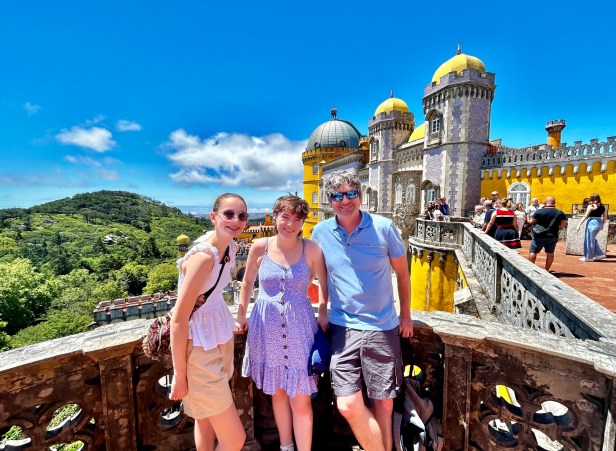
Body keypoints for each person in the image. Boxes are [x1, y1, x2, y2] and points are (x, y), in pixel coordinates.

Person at [311, 171, 413, 451]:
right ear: (330, 201)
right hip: (342, 327)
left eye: (351, 193)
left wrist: (406, 314)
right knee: (346, 403)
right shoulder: (320, 232)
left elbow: (403, 274)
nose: (345, 201)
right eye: (338, 195)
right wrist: (322, 308)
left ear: (360, 195)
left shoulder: (384, 227)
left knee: (384, 403)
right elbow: (321, 275)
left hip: (382, 326)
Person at [237, 195, 328, 451]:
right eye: (285, 217)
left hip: (300, 327)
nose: (290, 224)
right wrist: (241, 315)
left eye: (297, 219)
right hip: (266, 327)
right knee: (277, 393)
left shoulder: (311, 248)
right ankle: (286, 447)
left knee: (301, 399)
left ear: (303, 223)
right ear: (275, 217)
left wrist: (322, 312)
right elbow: (247, 283)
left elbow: (324, 283)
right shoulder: (260, 247)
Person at [169, 193, 248, 451]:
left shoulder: (230, 247)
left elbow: (212, 297)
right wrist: (179, 375)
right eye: (228, 214)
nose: (235, 220)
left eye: (241, 215)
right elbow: (178, 320)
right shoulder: (203, 257)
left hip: (218, 340)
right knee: (235, 439)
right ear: (214, 217)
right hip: (200, 351)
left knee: (205, 420)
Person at [528, 196, 567, 272]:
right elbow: (563, 225)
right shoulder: (560, 212)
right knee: (550, 253)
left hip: (539, 235)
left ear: (545, 203)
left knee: (533, 251)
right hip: (553, 235)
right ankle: (546, 270)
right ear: (554, 203)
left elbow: (531, 222)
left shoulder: (539, 211)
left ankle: (531, 269)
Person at [576, 193, 608, 262]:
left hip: (591, 223)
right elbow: (605, 218)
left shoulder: (591, 206)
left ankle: (589, 257)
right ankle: (599, 254)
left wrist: (579, 224)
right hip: (599, 223)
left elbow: (585, 216)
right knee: (592, 239)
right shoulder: (603, 207)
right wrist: (602, 225)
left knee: (589, 240)